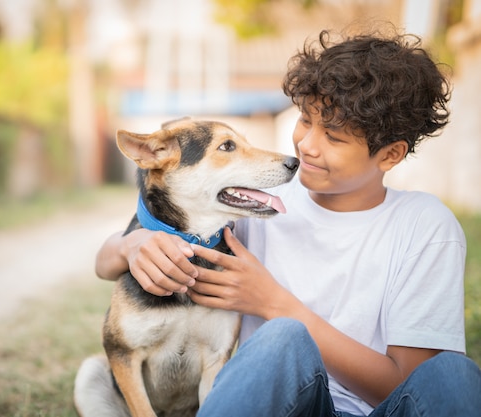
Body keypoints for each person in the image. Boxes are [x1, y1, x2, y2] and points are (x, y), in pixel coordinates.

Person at [95, 28, 481, 416]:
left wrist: (275, 303)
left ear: (390, 154)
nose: (307, 145)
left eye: (333, 136)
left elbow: (410, 386)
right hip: (278, 405)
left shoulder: (426, 227)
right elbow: (108, 261)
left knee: (452, 372)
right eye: (305, 120)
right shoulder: (256, 207)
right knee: (281, 339)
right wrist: (132, 244)